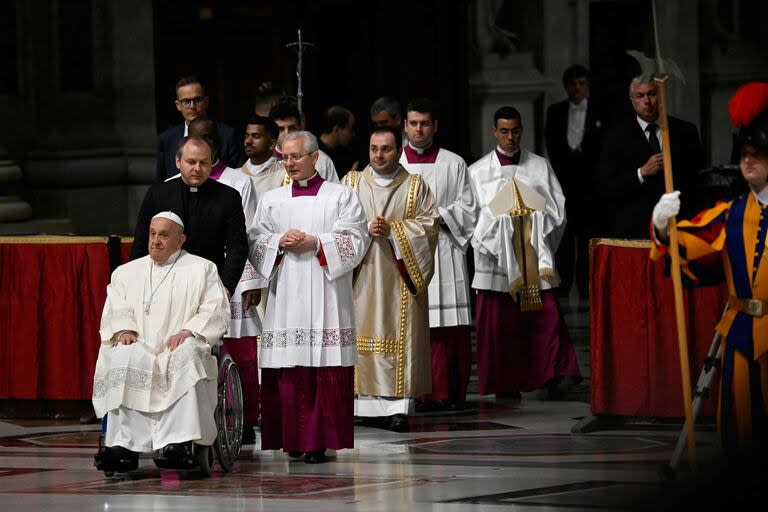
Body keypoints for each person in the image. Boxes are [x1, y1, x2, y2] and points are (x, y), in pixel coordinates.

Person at [650, 82, 768, 453]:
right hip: (740, 337)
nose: (748, 161)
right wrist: (660, 226)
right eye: (745, 153)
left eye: (759, 154)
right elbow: (686, 244)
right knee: (742, 432)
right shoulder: (730, 214)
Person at [249, 130, 369, 464]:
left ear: (315, 157)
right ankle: (293, 440)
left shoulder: (341, 196)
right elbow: (256, 241)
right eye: (284, 157)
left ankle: (320, 441)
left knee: (323, 368)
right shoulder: (273, 199)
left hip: (326, 292)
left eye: (296, 156)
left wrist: (316, 243)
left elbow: (356, 239)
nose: (289, 163)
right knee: (290, 370)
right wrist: (277, 241)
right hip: (286, 293)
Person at [93, 212, 230, 472]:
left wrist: (190, 331)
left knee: (187, 356)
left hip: (179, 342)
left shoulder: (202, 269)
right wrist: (123, 330)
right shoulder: (126, 272)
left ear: (180, 240)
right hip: (140, 342)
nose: (156, 241)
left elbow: (215, 308)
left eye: (164, 235)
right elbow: (116, 305)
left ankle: (178, 442)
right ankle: (123, 444)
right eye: (153, 234)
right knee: (123, 354)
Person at [468, 107, 581, 400]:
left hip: (532, 257)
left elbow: (557, 209)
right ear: (494, 132)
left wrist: (531, 220)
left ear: (522, 130)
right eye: (504, 131)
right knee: (498, 325)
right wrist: (501, 226)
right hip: (495, 263)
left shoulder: (540, 167)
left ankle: (553, 374)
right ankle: (504, 382)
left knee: (546, 318)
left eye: (515, 130)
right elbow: (471, 217)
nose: (510, 137)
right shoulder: (477, 171)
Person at [343, 126, 439, 431]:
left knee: (399, 337)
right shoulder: (352, 182)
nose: (378, 155)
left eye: (385, 149)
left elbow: (429, 226)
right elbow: (336, 224)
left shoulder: (415, 186)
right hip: (359, 277)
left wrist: (395, 232)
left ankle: (396, 408)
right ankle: (359, 403)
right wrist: (363, 230)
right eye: (373, 149)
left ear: (399, 151)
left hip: (398, 277)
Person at [399, 98, 478, 411]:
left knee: (448, 330)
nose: (419, 130)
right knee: (412, 326)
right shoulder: (394, 164)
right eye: (413, 123)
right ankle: (413, 391)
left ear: (435, 126)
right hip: (405, 253)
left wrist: (437, 217)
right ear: (404, 126)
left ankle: (450, 392)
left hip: (446, 250)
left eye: (425, 123)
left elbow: (469, 207)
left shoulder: (453, 163)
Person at [186, 118, 262, 444]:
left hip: (229, 278)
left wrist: (247, 283)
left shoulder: (238, 183)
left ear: (215, 144)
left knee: (238, 350)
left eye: (206, 140)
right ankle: (198, 419)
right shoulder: (174, 182)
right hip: (189, 283)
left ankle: (241, 420)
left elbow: (248, 236)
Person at [132, 135, 249, 298]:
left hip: (209, 284)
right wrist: (139, 281)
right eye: (191, 162)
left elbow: (237, 247)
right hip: (163, 283)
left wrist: (226, 288)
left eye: (204, 162)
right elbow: (141, 241)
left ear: (211, 163)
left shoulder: (229, 197)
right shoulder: (158, 194)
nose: (197, 168)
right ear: (178, 161)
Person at [598, 75, 704, 238]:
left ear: (661, 96)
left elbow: (697, 182)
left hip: (679, 227)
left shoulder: (685, 131)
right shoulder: (616, 137)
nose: (647, 101)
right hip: (635, 230)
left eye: (652, 94)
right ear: (632, 100)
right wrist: (641, 173)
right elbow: (607, 187)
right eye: (640, 96)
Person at [545, 65, 608, 298]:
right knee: (563, 240)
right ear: (566, 86)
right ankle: (562, 287)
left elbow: (604, 148)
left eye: (581, 83)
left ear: (587, 85)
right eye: (573, 83)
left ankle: (586, 289)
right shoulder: (555, 111)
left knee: (587, 241)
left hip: (591, 188)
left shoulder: (600, 111)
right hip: (564, 186)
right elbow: (551, 143)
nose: (577, 88)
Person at [155, 76, 245, 182]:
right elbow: (160, 181)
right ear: (178, 105)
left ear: (206, 102)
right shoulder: (167, 139)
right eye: (186, 101)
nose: (192, 106)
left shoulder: (228, 135)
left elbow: (238, 177)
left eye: (197, 100)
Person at [269, 99, 339, 182]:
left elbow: (333, 192)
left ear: (300, 127)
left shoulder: (321, 160)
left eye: (291, 128)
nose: (287, 133)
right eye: (281, 129)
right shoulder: (264, 160)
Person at [319, 105, 359, 179]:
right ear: (336, 129)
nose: (353, 134)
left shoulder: (345, 154)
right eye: (350, 129)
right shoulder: (313, 153)